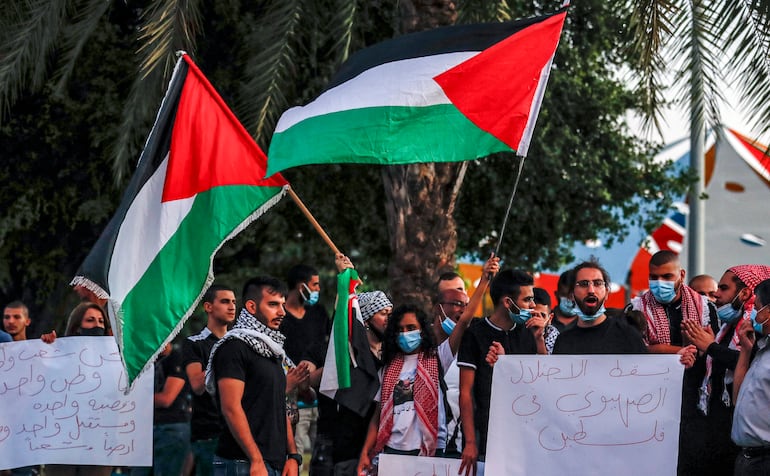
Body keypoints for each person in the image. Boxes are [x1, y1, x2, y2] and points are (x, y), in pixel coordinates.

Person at [629, 250, 717, 476]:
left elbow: (713, 349)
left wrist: (697, 349)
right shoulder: (636, 308)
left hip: (694, 404)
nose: (660, 284)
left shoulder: (705, 308)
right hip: (650, 405)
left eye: (667, 277)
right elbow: (634, 352)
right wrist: (681, 351)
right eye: (654, 277)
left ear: (682, 274)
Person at [206, 277, 300, 476]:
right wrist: (256, 460)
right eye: (273, 304)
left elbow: (278, 404)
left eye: (283, 305)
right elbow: (231, 408)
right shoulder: (234, 347)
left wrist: (293, 456)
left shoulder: (272, 350)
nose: (282, 312)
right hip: (242, 463)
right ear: (251, 306)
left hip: (274, 463)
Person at [457, 269, 547, 476]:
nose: (533, 306)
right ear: (508, 302)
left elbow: (542, 385)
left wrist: (539, 340)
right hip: (487, 440)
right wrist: (470, 441)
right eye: (528, 300)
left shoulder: (528, 333)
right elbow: (465, 393)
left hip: (525, 438)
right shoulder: (476, 334)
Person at [682, 265, 770, 475]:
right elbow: (742, 382)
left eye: (723, 289)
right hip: (738, 448)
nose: (717, 296)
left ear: (745, 293)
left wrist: (711, 347)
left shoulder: (756, 333)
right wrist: (699, 353)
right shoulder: (729, 329)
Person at [307, 266, 393, 476]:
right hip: (340, 449)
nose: (389, 319)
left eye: (391, 313)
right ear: (365, 319)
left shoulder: (392, 356)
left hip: (374, 448)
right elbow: (310, 381)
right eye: (383, 313)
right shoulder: (342, 353)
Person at [356, 304, 455, 475]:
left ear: (423, 330)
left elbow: (463, 325)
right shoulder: (388, 370)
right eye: (400, 329)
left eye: (411, 328)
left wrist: (484, 281)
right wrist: (365, 452)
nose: (405, 334)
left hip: (430, 450)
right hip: (394, 450)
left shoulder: (438, 358)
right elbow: (377, 416)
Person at [432, 254, 500, 458]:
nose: (461, 309)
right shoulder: (422, 344)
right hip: (425, 444)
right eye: (453, 301)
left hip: (462, 446)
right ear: (438, 306)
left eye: (465, 302)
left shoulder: (477, 339)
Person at [38, 302, 113, 476]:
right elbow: (40, 384)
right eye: (90, 320)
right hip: (62, 442)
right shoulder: (59, 353)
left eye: (101, 321)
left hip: (99, 443)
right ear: (77, 326)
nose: (97, 325)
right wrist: (45, 349)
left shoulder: (115, 358)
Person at [182, 285, 237, 476]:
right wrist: (222, 356)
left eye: (233, 302)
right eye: (224, 301)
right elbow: (197, 385)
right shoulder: (194, 343)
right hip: (209, 434)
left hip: (238, 431)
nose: (231, 306)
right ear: (208, 307)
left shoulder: (238, 343)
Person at [280, 264, 330, 461]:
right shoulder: (279, 317)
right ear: (302, 287)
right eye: (315, 285)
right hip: (291, 398)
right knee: (295, 458)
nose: (318, 290)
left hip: (319, 398)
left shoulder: (318, 313)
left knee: (319, 459)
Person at [553, 260, 647, 354]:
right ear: (571, 294)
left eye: (597, 283)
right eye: (583, 284)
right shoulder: (563, 342)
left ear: (606, 292)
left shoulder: (628, 336)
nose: (591, 290)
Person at [131, 341, 192, 476]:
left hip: (170, 428)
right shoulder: (145, 360)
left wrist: (132, 399)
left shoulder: (177, 357)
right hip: (146, 429)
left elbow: (166, 399)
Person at [732, 278, 770, 475]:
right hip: (748, 459)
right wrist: (746, 352)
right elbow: (737, 400)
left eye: (756, 307)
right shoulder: (762, 350)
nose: (753, 314)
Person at [532, 287, 560, 354]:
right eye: (533, 314)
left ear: (550, 318)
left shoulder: (554, 335)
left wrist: (539, 339)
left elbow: (546, 363)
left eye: (543, 315)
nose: (537, 319)